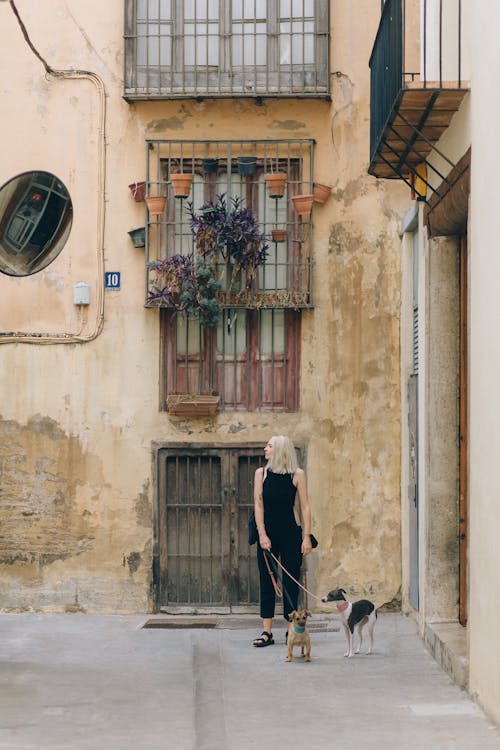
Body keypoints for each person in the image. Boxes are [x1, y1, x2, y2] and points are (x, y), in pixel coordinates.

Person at [252, 435, 312, 647]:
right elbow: (258, 506)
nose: (265, 448)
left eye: (269, 446)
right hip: (267, 533)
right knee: (266, 581)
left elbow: (305, 506)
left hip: (290, 533)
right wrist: (262, 534)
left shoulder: (297, 474)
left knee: (291, 581)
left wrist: (306, 537)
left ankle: (290, 630)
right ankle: (267, 632)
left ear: (279, 450)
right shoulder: (262, 473)